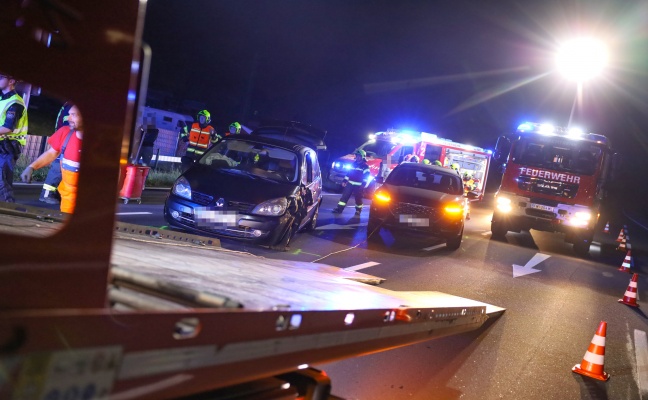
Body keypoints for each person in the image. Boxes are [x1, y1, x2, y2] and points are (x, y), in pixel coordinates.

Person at [21, 105, 83, 214]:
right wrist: (31, 167)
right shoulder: (65, 133)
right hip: (67, 203)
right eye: (69, 114)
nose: (68, 118)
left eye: (73, 115)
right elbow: (51, 153)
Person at [0, 73, 28, 203]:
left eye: (1, 77)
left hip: (8, 147)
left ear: (11, 81)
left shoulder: (15, 102)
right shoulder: (2, 99)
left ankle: (7, 211)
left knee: (2, 182)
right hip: (3, 145)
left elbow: (8, 128)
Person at [39, 101, 72, 204]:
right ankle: (46, 195)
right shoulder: (71, 106)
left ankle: (55, 194)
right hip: (66, 141)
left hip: (65, 140)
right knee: (57, 168)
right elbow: (68, 125)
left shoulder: (69, 105)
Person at [332, 149, 370, 216]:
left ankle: (358, 210)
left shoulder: (365, 166)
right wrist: (344, 181)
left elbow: (366, 177)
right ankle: (339, 209)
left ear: (362, 157)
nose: (358, 157)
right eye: (357, 156)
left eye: (359, 156)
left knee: (358, 199)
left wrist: (362, 186)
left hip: (358, 186)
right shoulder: (353, 164)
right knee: (344, 197)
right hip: (350, 184)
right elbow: (348, 174)